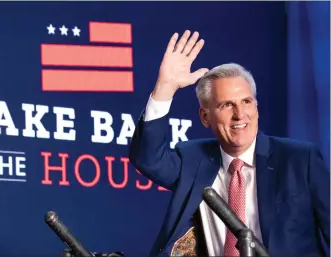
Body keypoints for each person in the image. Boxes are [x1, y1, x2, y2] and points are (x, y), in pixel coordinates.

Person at [129, 30, 330, 256]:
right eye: (226, 105)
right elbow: (147, 159)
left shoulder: (301, 160)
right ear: (205, 117)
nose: (239, 114)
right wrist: (165, 88)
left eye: (246, 102)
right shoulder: (193, 160)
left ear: (256, 107)